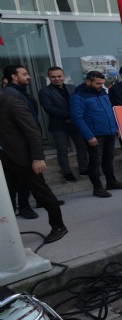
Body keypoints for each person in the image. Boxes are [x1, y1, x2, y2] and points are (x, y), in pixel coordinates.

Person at [0, 93, 68, 243]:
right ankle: (8, 232)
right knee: (6, 199)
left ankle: (58, 226)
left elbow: (33, 132)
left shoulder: (12, 103)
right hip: (4, 159)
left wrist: (37, 158)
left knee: (41, 193)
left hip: (24, 158)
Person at [71, 71, 122, 198]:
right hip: (95, 135)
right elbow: (77, 118)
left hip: (109, 132)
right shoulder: (78, 96)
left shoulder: (103, 92)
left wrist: (115, 127)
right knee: (95, 161)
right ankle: (97, 188)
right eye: (98, 83)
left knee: (108, 159)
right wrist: (89, 136)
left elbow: (110, 110)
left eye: (102, 83)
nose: (101, 86)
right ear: (88, 82)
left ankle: (111, 182)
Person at [3, 64, 42, 218]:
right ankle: (24, 206)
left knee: (33, 177)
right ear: (14, 76)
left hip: (29, 140)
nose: (28, 77)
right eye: (25, 74)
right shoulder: (10, 94)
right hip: (21, 145)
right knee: (23, 177)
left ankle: (39, 200)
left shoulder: (20, 92)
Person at [39, 67, 89, 182]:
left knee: (81, 147)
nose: (57, 79)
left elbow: (80, 104)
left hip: (75, 123)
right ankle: (67, 173)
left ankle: (84, 170)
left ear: (64, 76)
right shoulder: (45, 91)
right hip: (58, 125)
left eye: (59, 76)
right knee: (62, 151)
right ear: (49, 78)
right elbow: (49, 108)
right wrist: (70, 116)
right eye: (53, 77)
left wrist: (74, 117)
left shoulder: (73, 88)